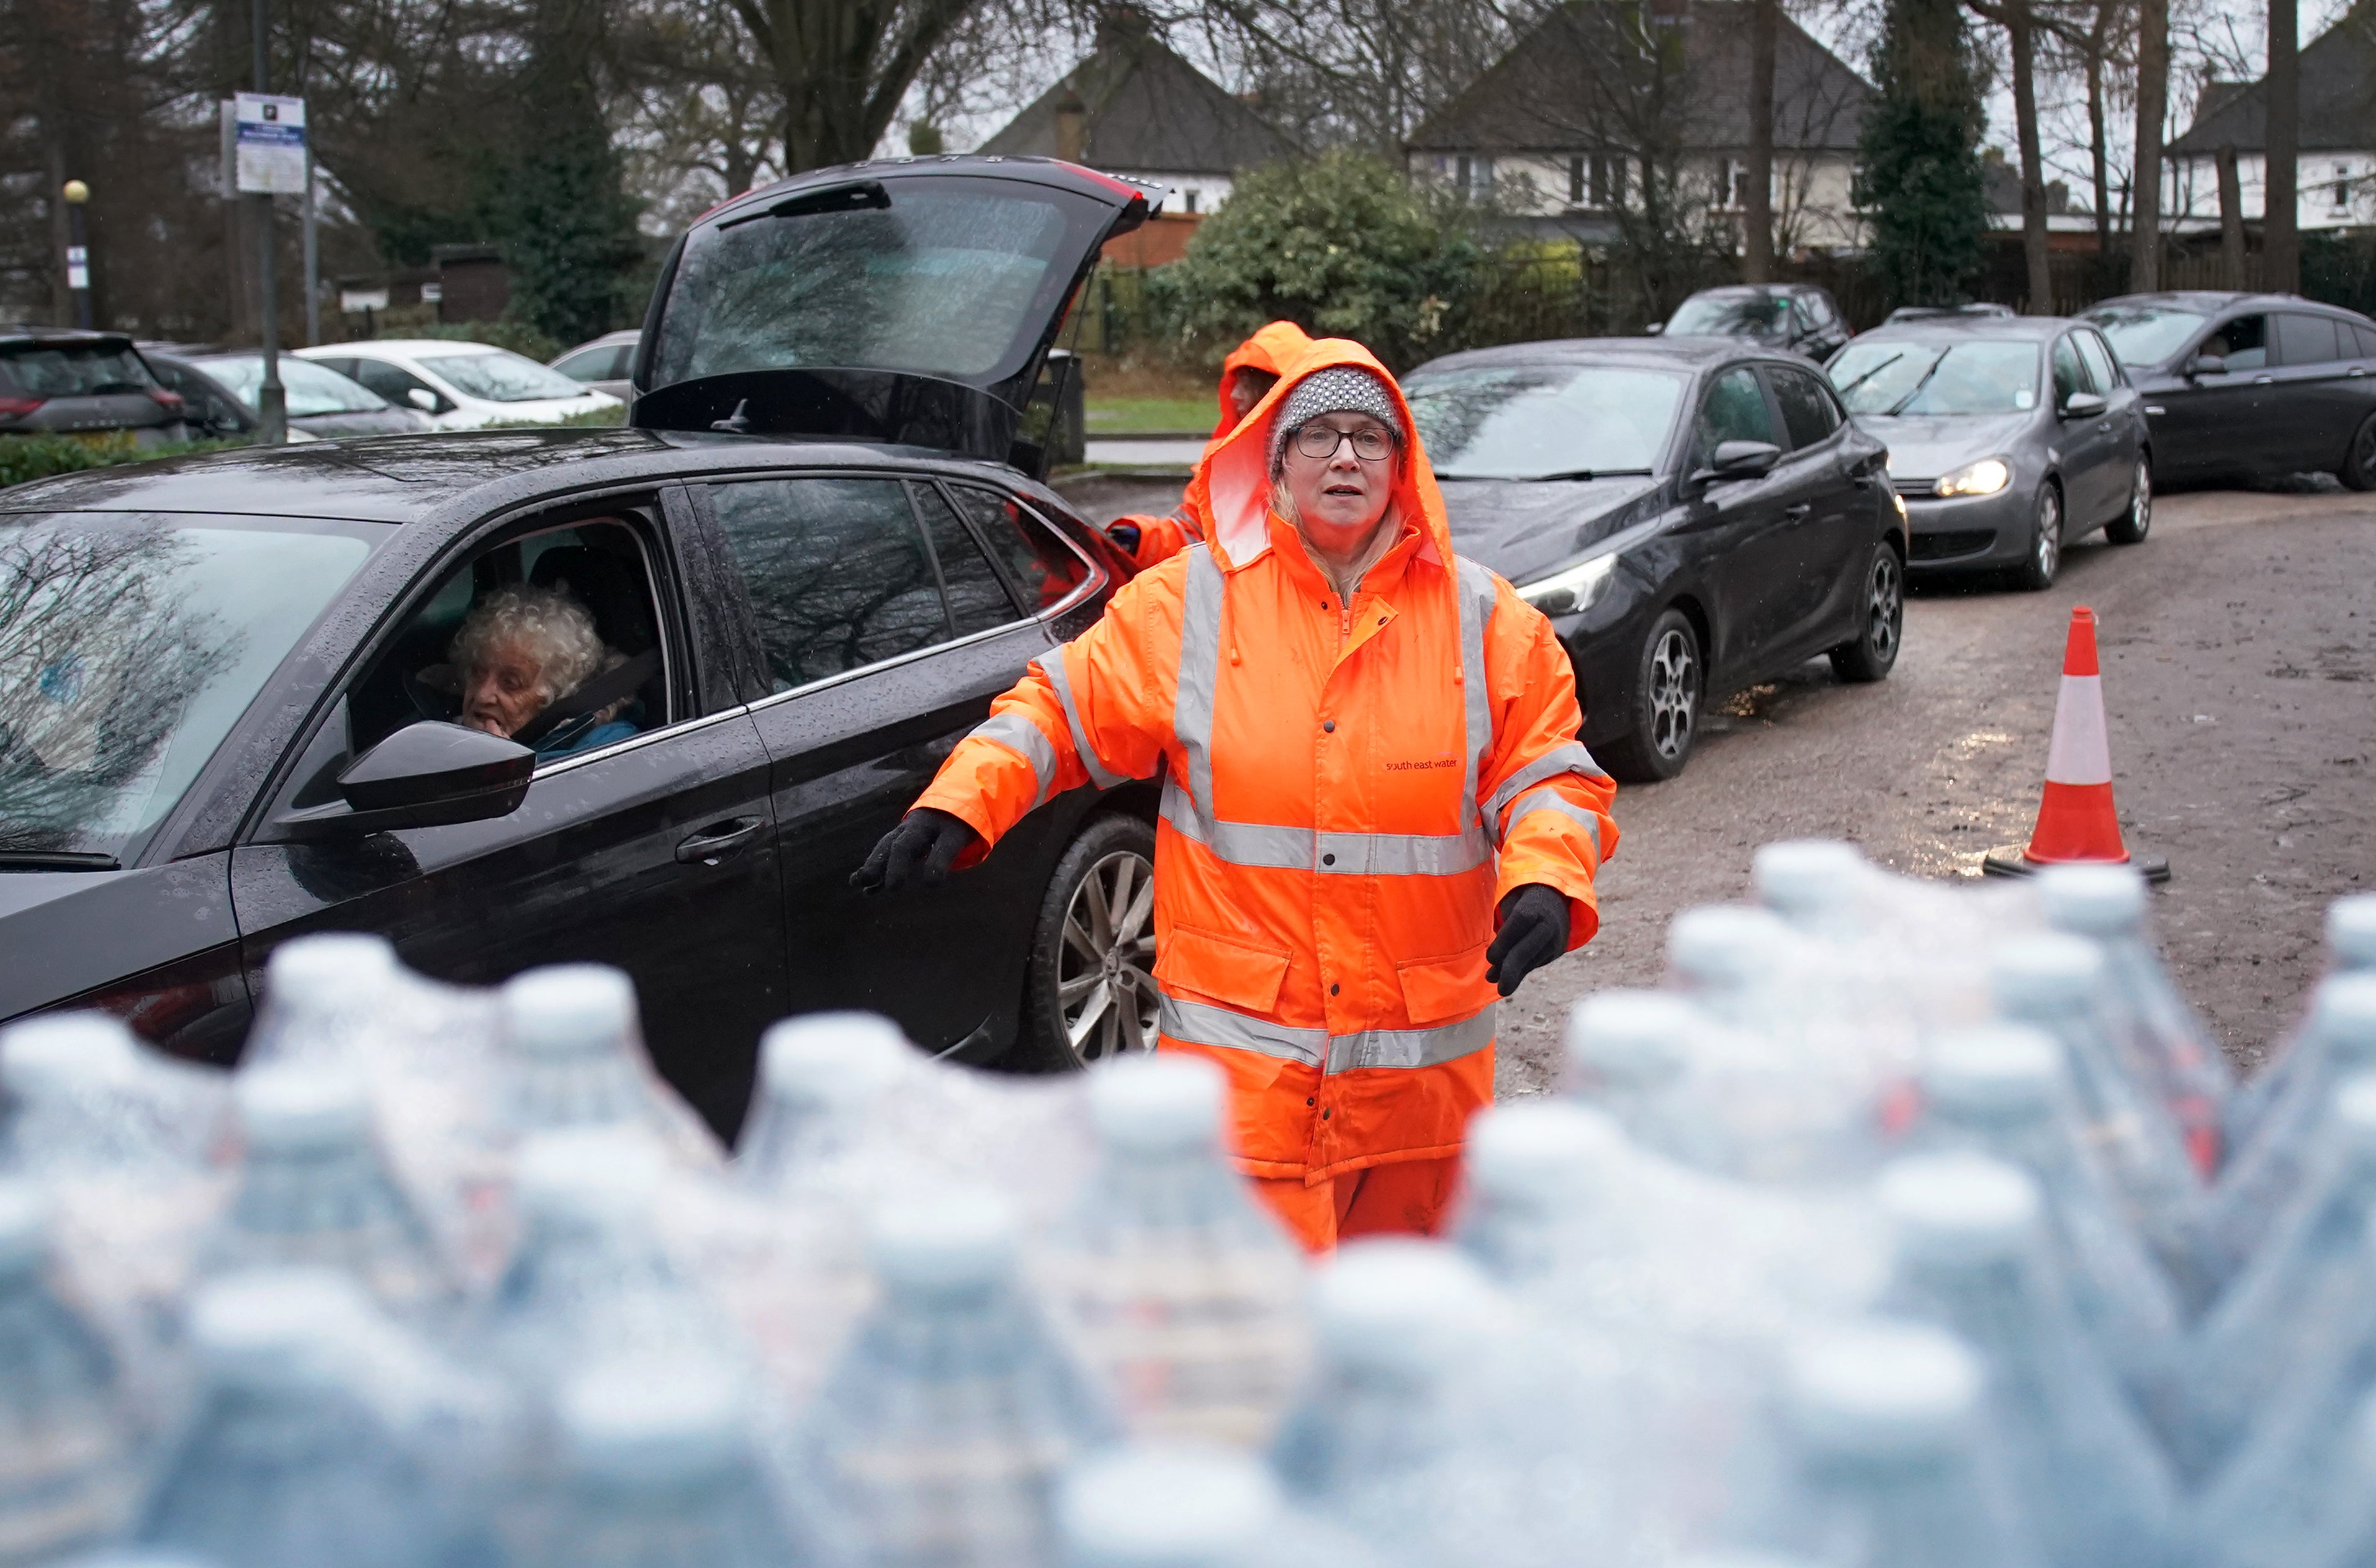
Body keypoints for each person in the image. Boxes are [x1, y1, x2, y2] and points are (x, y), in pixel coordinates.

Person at [853, 340, 1617, 1251]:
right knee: (1254, 1330)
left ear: (1402, 463)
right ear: (1277, 461)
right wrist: (962, 800)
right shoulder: (1189, 606)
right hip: (1246, 1109)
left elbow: (1548, 771)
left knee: (1401, 1329)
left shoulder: (1486, 622)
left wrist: (1547, 875)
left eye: (1369, 437)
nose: (1345, 457)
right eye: (1319, 436)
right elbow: (1057, 710)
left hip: (1420, 1114)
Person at [1105, 320, 1313, 570]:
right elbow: (1192, 534)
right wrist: (1141, 539)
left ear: (1274, 393)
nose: (1235, 394)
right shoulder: (1222, 463)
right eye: (1236, 383)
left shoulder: (1322, 463)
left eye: (1247, 385)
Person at [448, 583, 639, 759]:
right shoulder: (442, 727)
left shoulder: (608, 750)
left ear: (557, 697)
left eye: (510, 683)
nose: (482, 695)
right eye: (478, 672)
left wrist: (505, 767)